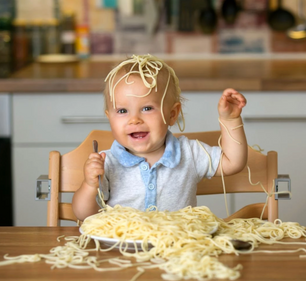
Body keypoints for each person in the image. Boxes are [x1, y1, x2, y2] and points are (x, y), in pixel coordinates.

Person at [72, 54, 248, 221]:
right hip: (123, 249)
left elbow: (233, 162)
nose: (134, 119)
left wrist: (230, 120)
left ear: (172, 115)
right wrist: (89, 185)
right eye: (122, 111)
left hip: (179, 247)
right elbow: (84, 215)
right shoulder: (106, 163)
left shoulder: (189, 153)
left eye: (147, 108)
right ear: (109, 117)